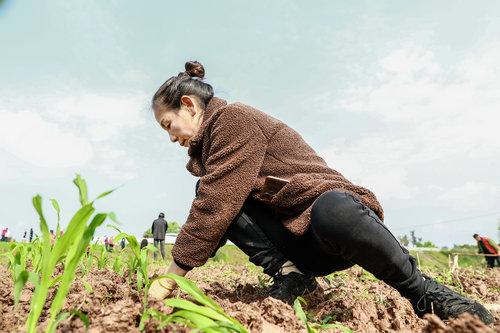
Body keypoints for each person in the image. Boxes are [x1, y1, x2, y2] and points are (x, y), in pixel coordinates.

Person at [147, 61, 493, 325]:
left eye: (168, 125)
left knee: (332, 206)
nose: (171, 137)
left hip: (333, 225)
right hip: (295, 240)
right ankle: (292, 274)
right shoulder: (211, 154)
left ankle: (423, 292)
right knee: (217, 197)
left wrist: (171, 277)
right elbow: (217, 206)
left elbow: (216, 201)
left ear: (189, 105)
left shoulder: (233, 119)